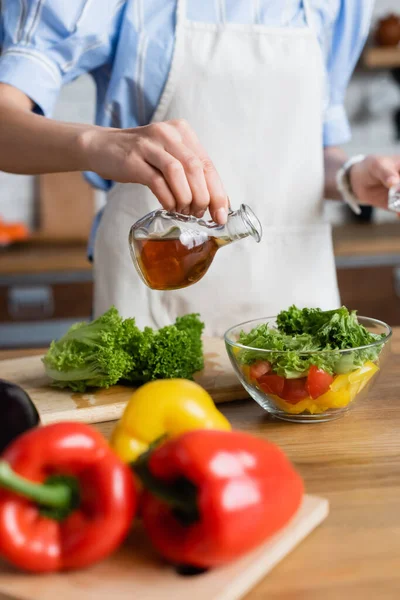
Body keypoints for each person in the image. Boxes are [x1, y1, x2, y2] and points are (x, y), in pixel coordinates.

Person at [0, 0, 398, 336]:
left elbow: (311, 151)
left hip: (294, 290)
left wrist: (350, 176)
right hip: (157, 295)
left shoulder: (343, 4)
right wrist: (97, 143)